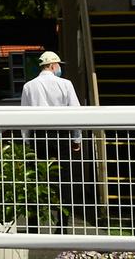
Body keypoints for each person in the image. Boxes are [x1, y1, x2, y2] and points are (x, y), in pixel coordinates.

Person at [20, 50, 84, 219]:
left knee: (36, 179)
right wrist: (76, 138)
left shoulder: (29, 86)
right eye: (59, 65)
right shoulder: (66, 84)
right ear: (53, 65)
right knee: (64, 180)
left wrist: (27, 141)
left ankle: (33, 224)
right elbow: (75, 113)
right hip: (61, 135)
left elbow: (23, 118)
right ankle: (62, 225)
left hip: (38, 136)